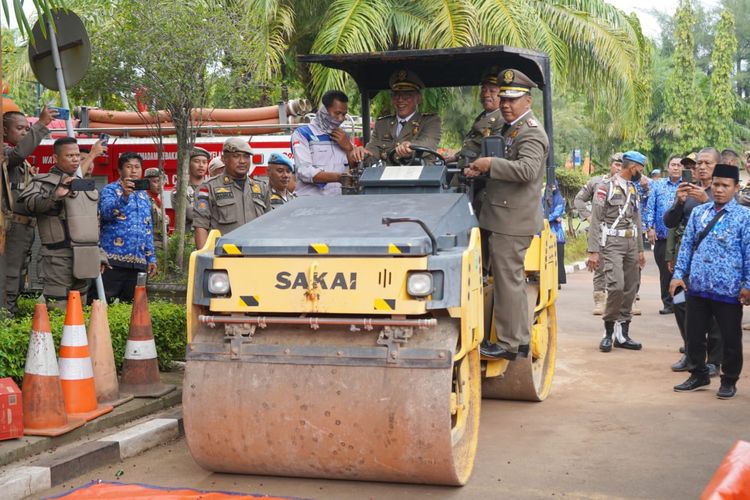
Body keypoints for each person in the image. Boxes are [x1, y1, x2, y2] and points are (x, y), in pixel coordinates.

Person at [463, 68, 548, 360]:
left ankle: (510, 344)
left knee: (508, 281)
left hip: (513, 221)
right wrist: (477, 167)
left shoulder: (532, 133)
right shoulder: (510, 129)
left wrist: (489, 164)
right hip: (500, 216)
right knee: (504, 279)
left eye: (513, 99)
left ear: (528, 101)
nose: (506, 104)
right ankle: (520, 340)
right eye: (504, 99)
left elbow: (526, 171)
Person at [671, 164, 750, 399]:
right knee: (693, 334)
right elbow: (686, 246)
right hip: (698, 285)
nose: (719, 190)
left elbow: (749, 252)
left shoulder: (745, 216)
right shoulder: (699, 212)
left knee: (730, 338)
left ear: (736, 188)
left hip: (728, 289)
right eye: (716, 184)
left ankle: (729, 379)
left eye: (725, 186)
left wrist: (748, 284)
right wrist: (678, 275)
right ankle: (698, 373)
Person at [17, 137, 107, 311]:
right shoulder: (43, 182)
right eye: (69, 155)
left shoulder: (83, 184)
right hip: (56, 257)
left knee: (79, 309)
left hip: (85, 257)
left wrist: (99, 254)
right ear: (55, 158)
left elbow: (92, 224)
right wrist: (55, 195)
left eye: (77, 155)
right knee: (58, 308)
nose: (75, 159)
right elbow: (27, 205)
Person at [664, 147, 722, 374]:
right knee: (680, 304)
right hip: (687, 261)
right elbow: (669, 222)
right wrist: (679, 202)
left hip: (714, 262)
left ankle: (713, 362)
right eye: (699, 163)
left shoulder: (722, 191)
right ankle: (691, 352)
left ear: (717, 166)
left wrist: (706, 199)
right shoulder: (686, 191)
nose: (702, 167)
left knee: (715, 312)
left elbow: (731, 219)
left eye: (707, 163)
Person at [586, 151, 647, 352]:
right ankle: (609, 331)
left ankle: (623, 333)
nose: (642, 172)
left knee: (631, 287)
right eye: (640, 168)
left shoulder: (633, 189)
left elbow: (637, 220)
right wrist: (593, 250)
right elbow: (596, 219)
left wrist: (640, 249)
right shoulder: (605, 187)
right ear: (632, 168)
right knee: (616, 286)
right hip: (611, 242)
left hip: (631, 242)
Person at [1, 106, 57, 316]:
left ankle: (10, 312)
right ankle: (6, 315)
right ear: (4, 131)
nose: (25, 132)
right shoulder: (6, 153)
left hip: (24, 227)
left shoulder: (22, 162)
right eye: (20, 128)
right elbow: (17, 154)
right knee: (10, 274)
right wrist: (41, 125)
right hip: (12, 226)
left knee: (20, 271)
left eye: (28, 129)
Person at [97, 152, 157, 302]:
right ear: (119, 170)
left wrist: (151, 258)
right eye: (129, 167)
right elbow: (105, 213)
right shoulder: (110, 190)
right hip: (112, 261)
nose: (133, 170)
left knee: (134, 306)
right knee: (102, 303)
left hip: (138, 263)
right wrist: (124, 196)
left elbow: (147, 229)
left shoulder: (144, 196)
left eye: (137, 167)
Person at [193, 137, 270, 249]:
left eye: (246, 156)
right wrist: (204, 257)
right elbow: (201, 226)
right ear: (224, 159)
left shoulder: (261, 187)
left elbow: (269, 225)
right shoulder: (208, 187)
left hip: (256, 254)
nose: (242, 161)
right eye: (236, 156)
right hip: (224, 258)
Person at [574, 152, 623, 314]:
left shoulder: (627, 185)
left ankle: (623, 300)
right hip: (600, 230)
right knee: (599, 265)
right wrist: (588, 217)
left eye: (622, 166)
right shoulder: (596, 182)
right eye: (616, 164)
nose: (619, 168)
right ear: (610, 165)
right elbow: (579, 199)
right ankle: (599, 300)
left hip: (620, 232)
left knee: (622, 267)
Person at [291, 90, 364, 196]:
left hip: (339, 202)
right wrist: (339, 178)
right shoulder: (302, 134)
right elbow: (304, 171)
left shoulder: (344, 137)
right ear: (324, 110)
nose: (341, 119)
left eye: (344, 114)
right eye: (337, 113)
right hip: (311, 203)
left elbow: (355, 170)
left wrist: (348, 148)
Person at [365, 70, 441, 163]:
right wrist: (362, 153)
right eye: (396, 95)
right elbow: (372, 149)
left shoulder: (430, 121)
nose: (400, 99)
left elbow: (428, 143)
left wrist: (409, 147)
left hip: (420, 175)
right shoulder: (382, 124)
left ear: (418, 98)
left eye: (406, 95)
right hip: (387, 176)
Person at [644, 155, 682, 314]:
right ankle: (667, 304)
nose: (676, 167)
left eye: (679, 165)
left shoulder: (688, 186)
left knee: (679, 271)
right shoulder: (658, 186)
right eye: (673, 164)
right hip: (662, 237)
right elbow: (650, 208)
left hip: (681, 240)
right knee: (665, 273)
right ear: (668, 167)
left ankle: (679, 304)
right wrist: (650, 228)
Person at [446, 68, 504, 166]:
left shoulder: (501, 119)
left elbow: (491, 153)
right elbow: (472, 144)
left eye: (492, 91)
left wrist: (475, 167)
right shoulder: (483, 116)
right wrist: (455, 156)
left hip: (476, 172)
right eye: (484, 90)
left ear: (502, 95)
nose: (486, 94)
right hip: (465, 165)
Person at [171, 146, 210, 230]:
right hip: (189, 238)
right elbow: (191, 214)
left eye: (204, 162)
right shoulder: (180, 190)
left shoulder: (211, 187)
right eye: (197, 161)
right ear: (188, 163)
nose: (201, 165)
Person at [546, 180, 566, 286]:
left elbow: (557, 212)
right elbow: (541, 210)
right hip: (545, 232)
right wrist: (550, 218)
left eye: (555, 186)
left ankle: (557, 281)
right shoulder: (543, 198)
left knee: (557, 258)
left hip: (557, 235)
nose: (553, 188)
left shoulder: (559, 199)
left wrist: (545, 218)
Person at [144, 168, 169, 250]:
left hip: (160, 244)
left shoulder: (157, 200)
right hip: (151, 245)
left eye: (161, 181)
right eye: (155, 181)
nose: (159, 185)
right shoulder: (145, 201)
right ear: (147, 183)